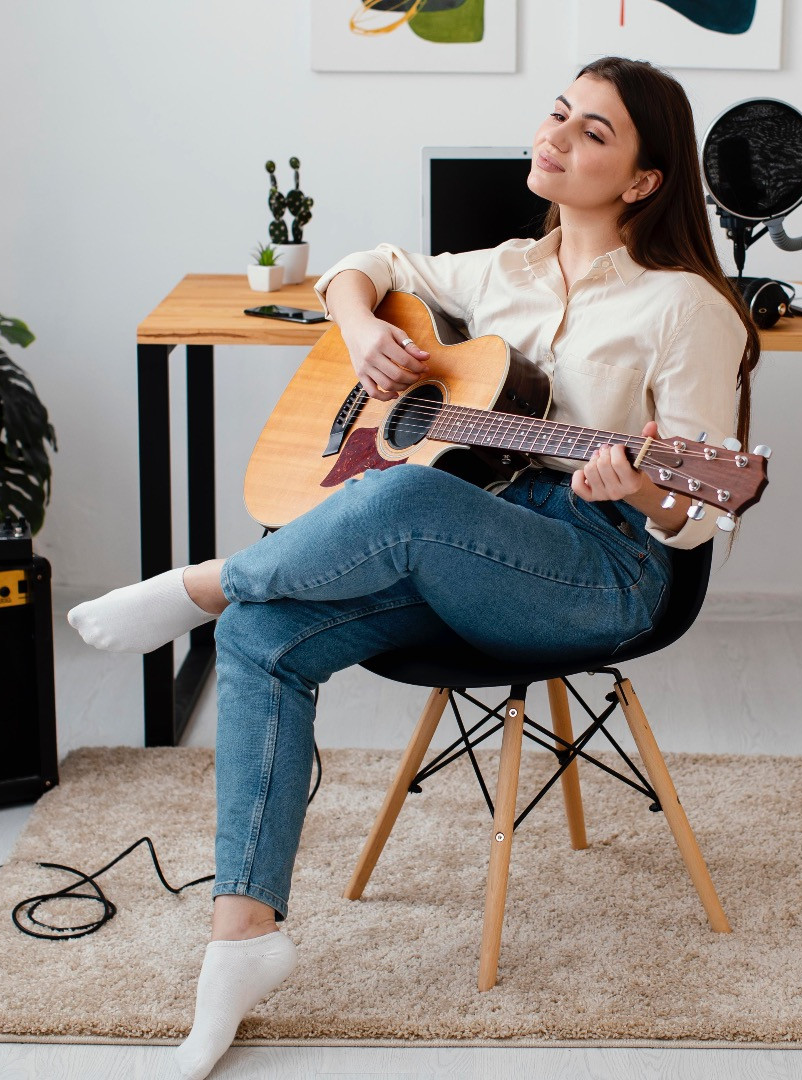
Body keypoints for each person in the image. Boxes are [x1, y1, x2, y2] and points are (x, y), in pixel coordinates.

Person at [66, 56, 760, 1080]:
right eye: (558, 113)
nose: (557, 136)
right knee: (265, 637)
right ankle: (241, 943)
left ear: (645, 181)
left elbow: (699, 519)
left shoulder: (684, 307)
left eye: (594, 133)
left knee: (399, 500)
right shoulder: (501, 273)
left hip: (599, 573)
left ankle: (204, 583)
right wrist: (358, 333)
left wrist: (643, 488)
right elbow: (366, 262)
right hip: (461, 537)